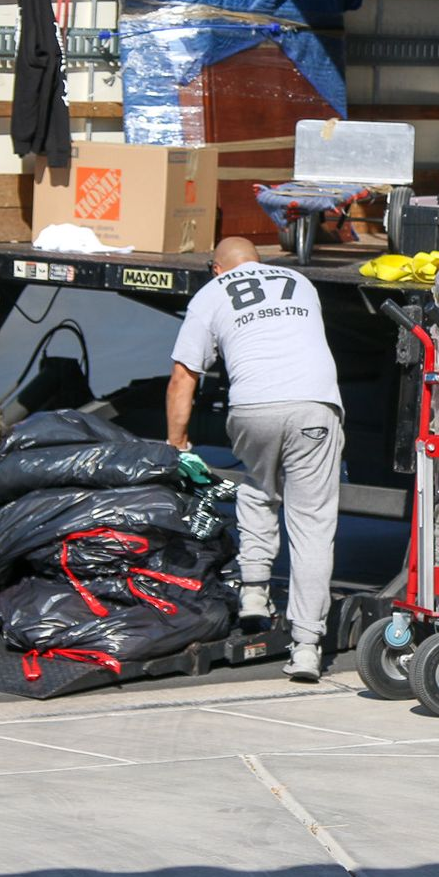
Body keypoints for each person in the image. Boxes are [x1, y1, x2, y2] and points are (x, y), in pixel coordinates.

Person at [166, 236, 343, 682]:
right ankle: (306, 646)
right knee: (313, 524)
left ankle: (253, 592)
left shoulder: (211, 293)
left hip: (252, 410)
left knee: (258, 484)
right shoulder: (302, 282)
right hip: (315, 407)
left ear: (218, 268)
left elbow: (184, 377)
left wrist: (178, 444)